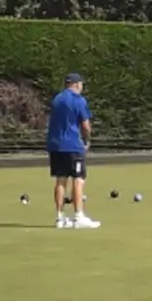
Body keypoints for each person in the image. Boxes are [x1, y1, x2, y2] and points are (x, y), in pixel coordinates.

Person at [47, 72, 98, 229]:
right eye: (81, 84)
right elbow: (85, 125)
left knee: (60, 180)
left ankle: (60, 218)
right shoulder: (78, 100)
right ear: (76, 84)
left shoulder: (57, 99)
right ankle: (78, 216)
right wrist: (87, 140)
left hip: (55, 145)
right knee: (78, 179)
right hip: (73, 145)